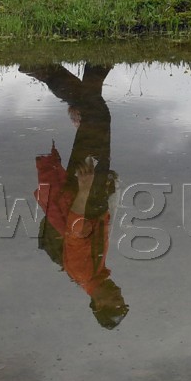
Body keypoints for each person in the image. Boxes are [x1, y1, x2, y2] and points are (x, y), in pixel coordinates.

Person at [23, 62, 129, 329]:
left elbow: (76, 231)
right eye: (122, 302)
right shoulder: (96, 274)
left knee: (97, 116)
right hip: (95, 192)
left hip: (86, 191)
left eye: (113, 303)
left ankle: (49, 71)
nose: (118, 296)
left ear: (97, 305)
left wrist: (84, 188)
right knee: (95, 116)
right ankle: (95, 67)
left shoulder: (84, 272)